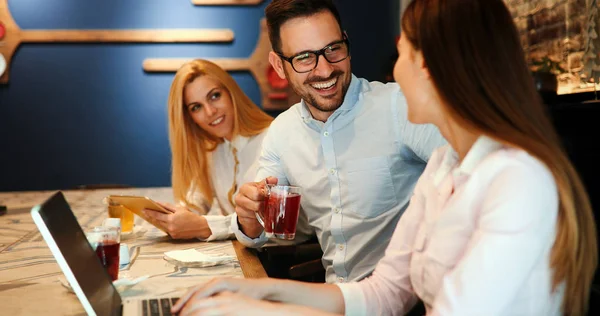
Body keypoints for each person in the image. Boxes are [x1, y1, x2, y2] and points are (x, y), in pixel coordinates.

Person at [172, 0, 598, 315]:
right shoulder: (444, 168)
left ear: (432, 69)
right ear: (281, 65)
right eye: (304, 57)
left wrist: (261, 309)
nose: (393, 70)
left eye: (404, 53)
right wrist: (255, 292)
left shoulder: (517, 181)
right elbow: (384, 293)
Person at [230, 0, 447, 284]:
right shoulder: (282, 131)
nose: (324, 69)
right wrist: (248, 217)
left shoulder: (400, 105)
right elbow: (266, 227)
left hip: (409, 297)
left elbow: (473, 172)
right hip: (339, 296)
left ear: (346, 42)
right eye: (305, 57)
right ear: (279, 66)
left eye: (333, 49)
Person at [143, 59, 273, 241]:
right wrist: (177, 214)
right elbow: (198, 197)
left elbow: (266, 221)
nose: (210, 111)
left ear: (231, 93)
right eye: (196, 107)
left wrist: (204, 226)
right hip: (243, 256)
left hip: (275, 261)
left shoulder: (273, 139)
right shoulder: (214, 148)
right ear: (190, 118)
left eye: (214, 96)